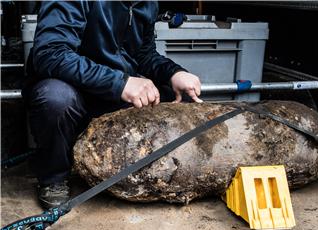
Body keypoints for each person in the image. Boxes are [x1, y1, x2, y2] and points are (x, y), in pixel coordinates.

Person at [22, 1, 202, 209]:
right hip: (74, 89)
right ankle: (54, 176)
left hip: (114, 91)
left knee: (178, 96)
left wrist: (174, 72)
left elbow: (143, 54)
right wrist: (121, 83)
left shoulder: (147, 3)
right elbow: (51, 53)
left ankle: (142, 171)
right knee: (55, 99)